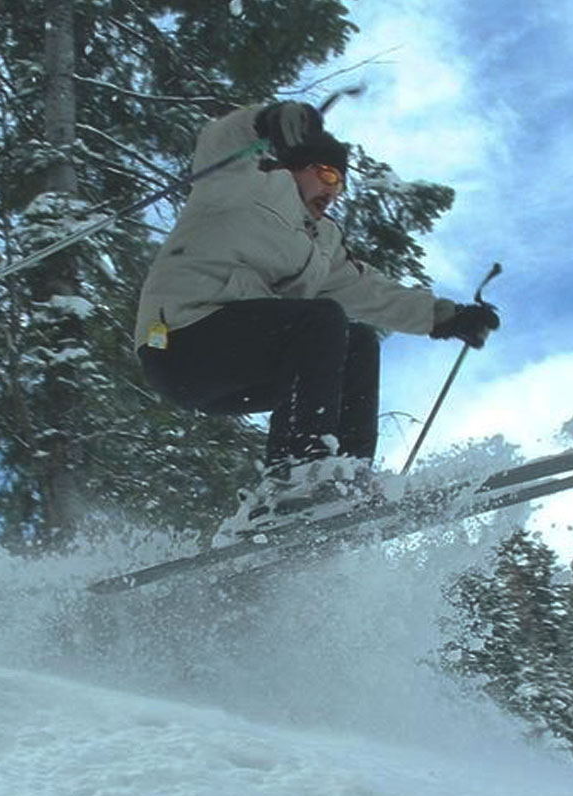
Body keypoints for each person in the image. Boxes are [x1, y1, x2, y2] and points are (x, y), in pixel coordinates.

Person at [134, 101, 499, 518]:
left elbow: (372, 292)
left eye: (340, 184)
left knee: (358, 340)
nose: (332, 191)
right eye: (326, 175)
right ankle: (297, 471)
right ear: (296, 168)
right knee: (321, 319)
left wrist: (445, 318)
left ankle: (345, 477)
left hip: (233, 368)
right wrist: (265, 122)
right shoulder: (245, 182)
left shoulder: (321, 243)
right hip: (182, 339)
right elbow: (218, 142)